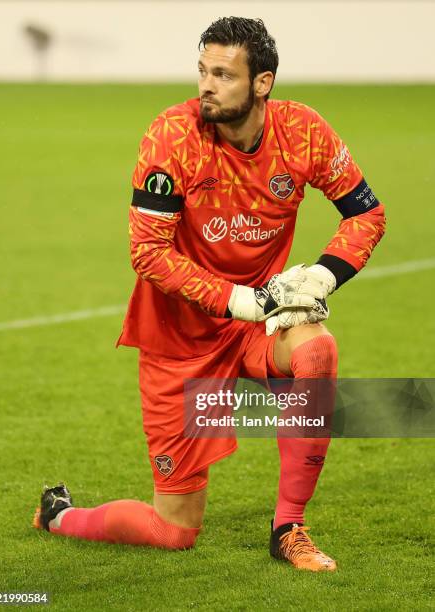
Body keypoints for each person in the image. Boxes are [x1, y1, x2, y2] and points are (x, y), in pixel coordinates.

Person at [33, 17, 385, 571]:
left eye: (223, 74)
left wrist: (322, 275)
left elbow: (366, 213)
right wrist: (241, 299)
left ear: (262, 83)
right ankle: (58, 516)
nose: (206, 85)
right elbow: (148, 252)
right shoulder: (172, 135)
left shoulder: (304, 132)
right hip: (179, 341)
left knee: (317, 349)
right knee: (172, 532)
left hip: (255, 329)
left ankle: (288, 527)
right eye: (202, 70)